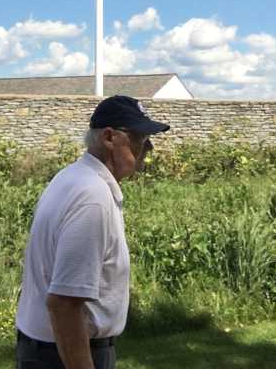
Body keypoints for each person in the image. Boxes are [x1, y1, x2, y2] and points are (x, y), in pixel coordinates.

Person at [15, 95, 170, 369]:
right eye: (141, 138)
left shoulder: (71, 177)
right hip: (66, 355)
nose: (150, 147)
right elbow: (64, 304)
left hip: (49, 350)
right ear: (109, 137)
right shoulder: (93, 197)